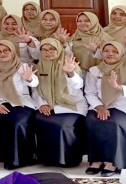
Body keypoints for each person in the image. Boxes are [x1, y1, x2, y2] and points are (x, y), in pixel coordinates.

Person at [83, 41, 126, 177]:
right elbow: (89, 93)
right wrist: (99, 106)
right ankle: (96, 160)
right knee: (93, 120)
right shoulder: (95, 70)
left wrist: (120, 87)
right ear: (102, 53)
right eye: (106, 51)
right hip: (102, 105)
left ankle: (113, 162)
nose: (110, 54)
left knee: (115, 123)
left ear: (121, 54)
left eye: (115, 51)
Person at [0, 40, 40, 170]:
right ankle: (2, 155)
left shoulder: (22, 66)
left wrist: (29, 78)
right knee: (2, 120)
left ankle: (19, 159)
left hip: (20, 102)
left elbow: (34, 83)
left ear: (12, 51)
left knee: (17, 121)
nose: (3, 53)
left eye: (6, 50)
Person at [31, 38, 88, 167]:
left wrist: (70, 72)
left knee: (63, 125)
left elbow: (78, 85)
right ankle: (47, 159)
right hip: (49, 104)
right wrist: (42, 104)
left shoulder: (69, 64)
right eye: (44, 50)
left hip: (71, 105)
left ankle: (69, 159)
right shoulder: (38, 67)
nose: (48, 52)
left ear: (59, 50)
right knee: (41, 119)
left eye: (52, 49)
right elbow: (35, 90)